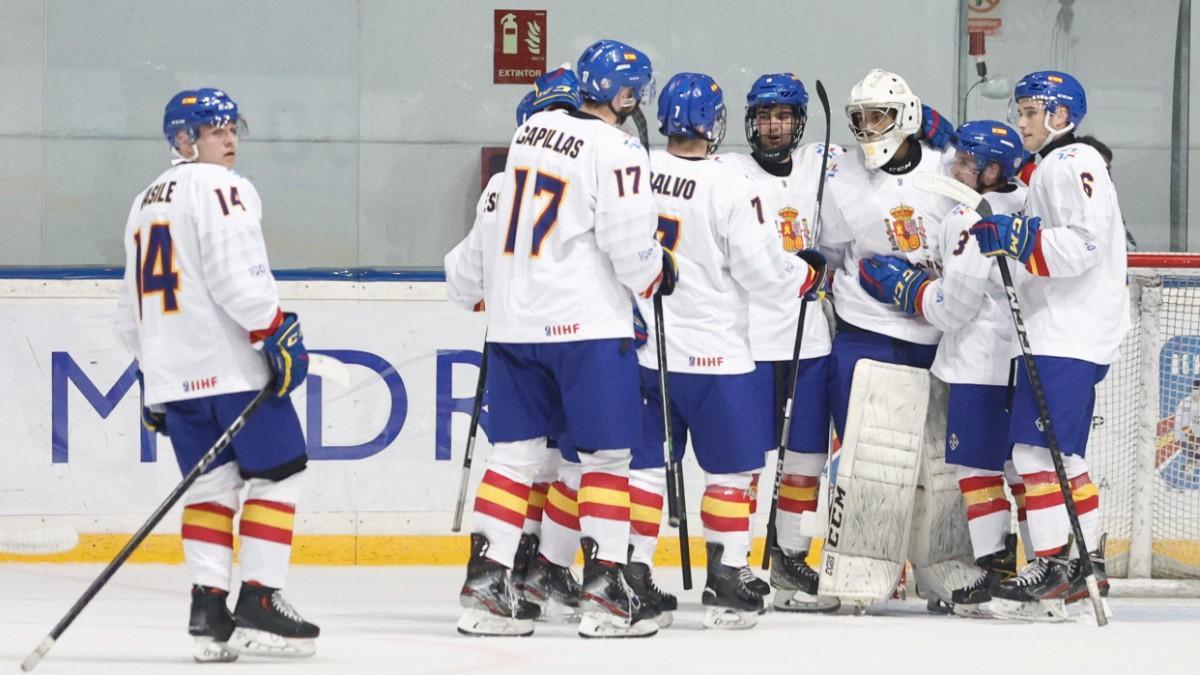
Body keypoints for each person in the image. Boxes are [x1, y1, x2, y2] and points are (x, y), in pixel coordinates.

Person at [452, 38, 673, 639]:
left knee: (515, 455)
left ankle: (487, 581)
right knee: (604, 458)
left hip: (515, 328)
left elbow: (476, 258)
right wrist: (658, 273)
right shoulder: (616, 146)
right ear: (625, 96)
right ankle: (605, 589)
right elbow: (630, 246)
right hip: (585, 327)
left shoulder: (529, 137)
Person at [114, 88, 318, 662]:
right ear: (184, 140)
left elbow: (128, 308)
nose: (228, 140)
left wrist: (150, 376)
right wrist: (272, 329)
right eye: (214, 129)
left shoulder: (142, 201)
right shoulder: (223, 187)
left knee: (208, 489)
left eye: (233, 128)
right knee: (281, 474)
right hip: (231, 370)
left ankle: (208, 610)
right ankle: (258, 598)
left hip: (174, 376)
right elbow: (237, 278)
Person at [630, 72, 820, 629]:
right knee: (732, 474)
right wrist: (804, 275)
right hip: (718, 358)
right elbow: (764, 274)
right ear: (715, 124)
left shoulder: (635, 172)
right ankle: (727, 577)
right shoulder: (731, 187)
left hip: (650, 355)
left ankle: (635, 573)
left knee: (643, 472)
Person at [857, 120, 1030, 614]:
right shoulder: (1025, 200)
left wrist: (907, 289)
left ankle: (995, 575)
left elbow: (953, 309)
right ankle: (1046, 571)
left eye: (967, 162)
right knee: (1022, 469)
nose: (955, 167)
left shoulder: (967, 216)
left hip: (978, 363)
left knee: (976, 472)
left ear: (993, 170)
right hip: (1021, 355)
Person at [971, 70, 1128, 611]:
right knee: (1057, 453)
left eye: (1030, 112)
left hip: (1069, 330)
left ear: (1060, 116)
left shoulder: (1070, 161)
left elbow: (1084, 244)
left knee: (1036, 454)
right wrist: (1019, 242)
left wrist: (1021, 239)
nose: (1021, 122)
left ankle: (1056, 560)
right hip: (1063, 329)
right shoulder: (1055, 166)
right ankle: (1084, 564)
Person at [445, 68, 587, 621]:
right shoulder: (595, 164)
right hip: (578, 342)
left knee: (520, 459)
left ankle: (505, 567)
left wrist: (494, 294)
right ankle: (547, 565)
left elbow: (462, 280)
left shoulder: (501, 183)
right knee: (583, 461)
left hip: (515, 342)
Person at [713, 73, 842, 612]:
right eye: (765, 116)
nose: (774, 126)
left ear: (799, 122)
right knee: (746, 461)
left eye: (785, 116)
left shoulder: (819, 163)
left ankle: (788, 557)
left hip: (808, 340)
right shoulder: (727, 171)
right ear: (751, 120)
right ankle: (738, 561)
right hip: (749, 339)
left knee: (806, 460)